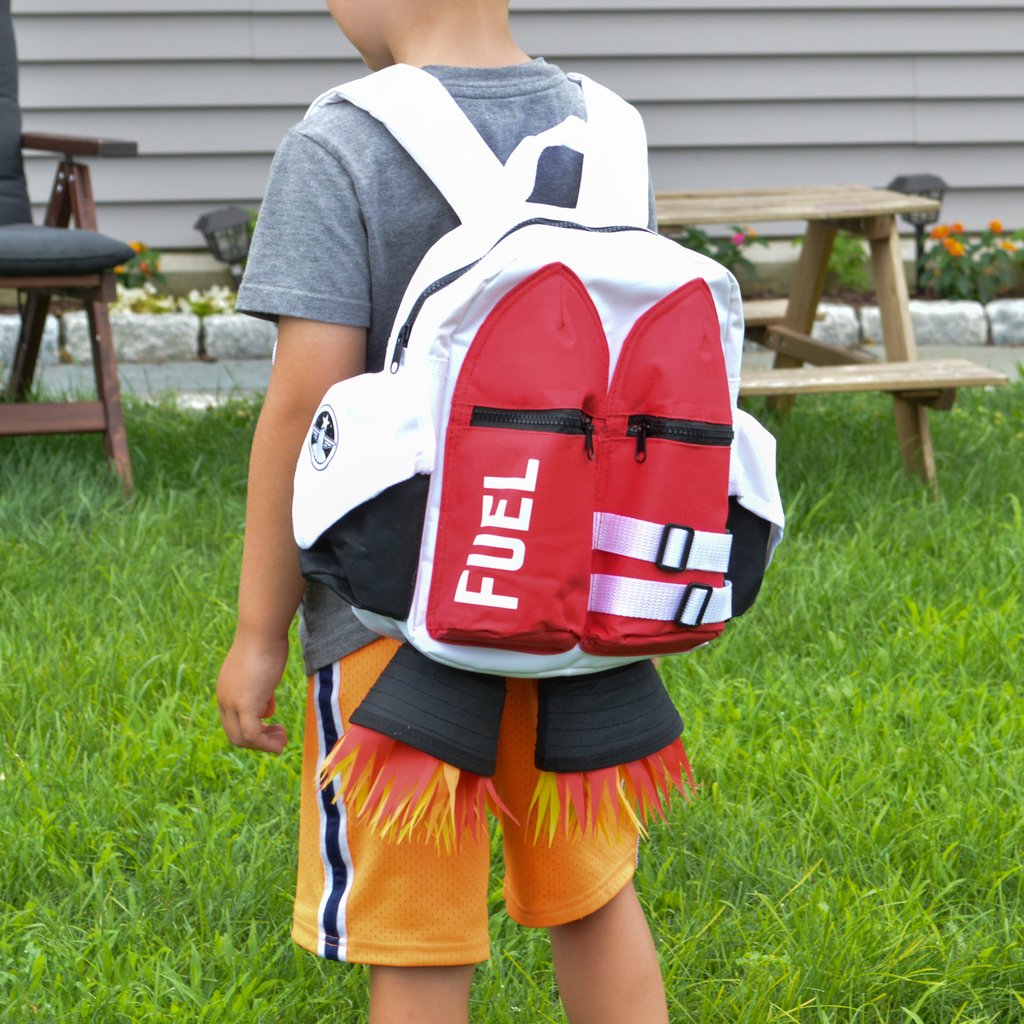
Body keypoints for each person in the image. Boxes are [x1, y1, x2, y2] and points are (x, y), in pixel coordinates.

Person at [216, 1, 671, 1021]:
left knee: (418, 942)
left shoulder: (341, 139)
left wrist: (258, 632)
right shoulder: (609, 131)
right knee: (595, 899)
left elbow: (304, 404)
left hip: (392, 625)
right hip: (580, 613)